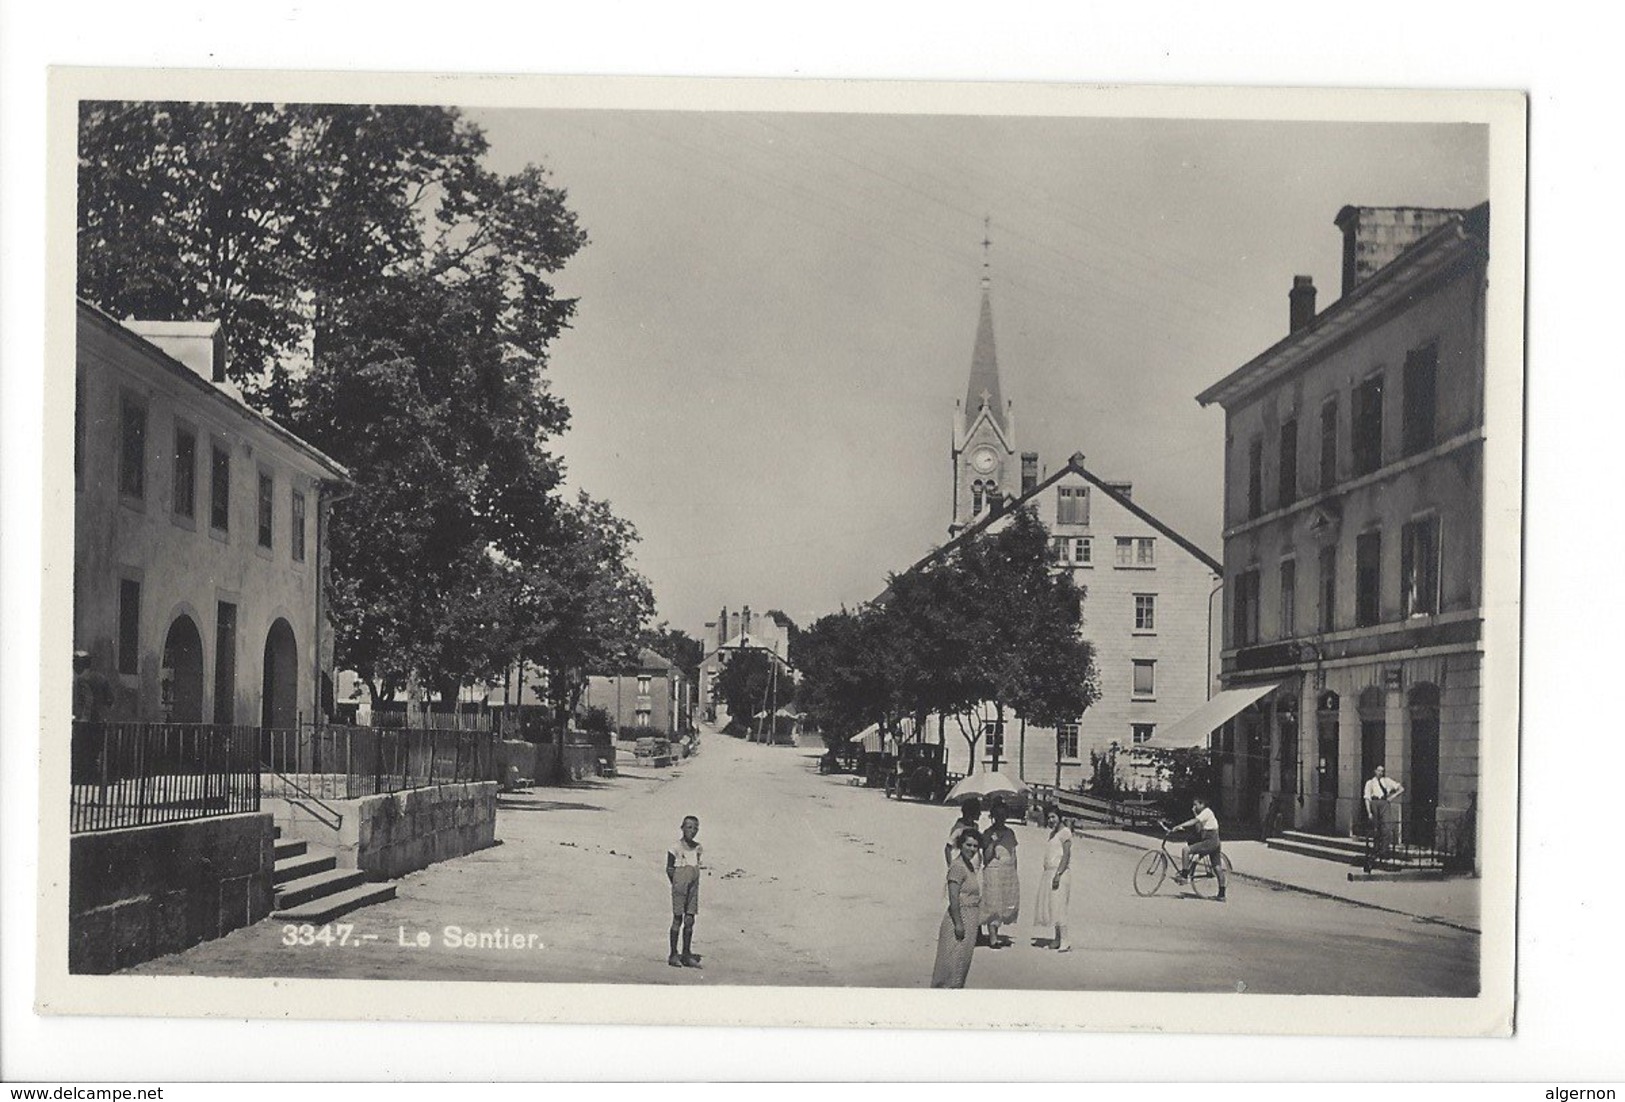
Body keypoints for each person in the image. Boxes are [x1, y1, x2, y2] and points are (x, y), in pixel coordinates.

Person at [931, 828, 983, 988]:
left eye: (975, 846)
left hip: (970, 918)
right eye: (968, 845)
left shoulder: (969, 865)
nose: (972, 849)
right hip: (958, 919)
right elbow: (953, 898)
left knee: (961, 964)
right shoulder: (958, 867)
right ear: (960, 845)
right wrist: (959, 924)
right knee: (951, 964)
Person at [1170, 796, 1227, 902]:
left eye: (1196, 805)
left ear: (1202, 804)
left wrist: (1179, 826)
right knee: (1217, 867)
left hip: (1209, 841)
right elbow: (1198, 828)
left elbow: (1194, 821)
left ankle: (1184, 875)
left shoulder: (1207, 812)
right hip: (1214, 842)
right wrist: (1195, 814)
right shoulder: (1204, 814)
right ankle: (1222, 894)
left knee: (1185, 850)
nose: (1194, 807)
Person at [980, 800, 1020, 948]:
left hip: (1008, 871)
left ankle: (995, 933)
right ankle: (993, 937)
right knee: (993, 902)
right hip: (993, 870)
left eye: (1003, 815)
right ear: (993, 816)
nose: (1000, 818)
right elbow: (986, 858)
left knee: (1004, 902)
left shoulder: (1010, 833)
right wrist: (992, 842)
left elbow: (1013, 853)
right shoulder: (988, 833)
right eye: (997, 815)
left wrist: (1015, 872)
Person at [666, 814, 704, 968]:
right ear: (682, 828)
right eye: (689, 827)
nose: (692, 830)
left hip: (693, 887)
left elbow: (696, 866)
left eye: (695, 828)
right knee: (677, 918)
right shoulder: (675, 848)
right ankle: (674, 954)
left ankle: (687, 954)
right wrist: (676, 884)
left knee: (690, 919)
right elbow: (669, 868)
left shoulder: (698, 848)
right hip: (679, 886)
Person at [1033, 809, 1073, 951]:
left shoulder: (1065, 833)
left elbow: (1066, 855)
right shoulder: (1053, 834)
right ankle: (1057, 938)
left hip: (1059, 873)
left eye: (1053, 817)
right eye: (1049, 817)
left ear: (1060, 818)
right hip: (1049, 872)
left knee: (1060, 905)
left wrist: (1058, 873)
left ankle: (1065, 940)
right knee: (1053, 906)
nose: (1051, 820)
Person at [1363, 764, 1405, 858]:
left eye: (1382, 771)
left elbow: (1401, 788)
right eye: (1379, 770)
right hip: (1374, 803)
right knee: (1376, 827)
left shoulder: (1387, 781)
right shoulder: (1370, 783)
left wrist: (1392, 797)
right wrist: (1369, 812)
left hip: (1384, 803)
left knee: (1386, 827)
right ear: (1375, 771)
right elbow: (1367, 798)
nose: (1380, 773)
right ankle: (1376, 849)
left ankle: (1384, 851)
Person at [71, 650, 113, 723]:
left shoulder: (80, 680)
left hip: (84, 723)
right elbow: (110, 701)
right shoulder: (101, 678)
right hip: (99, 721)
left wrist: (83, 719)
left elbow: (88, 701)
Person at [945, 797, 983, 866]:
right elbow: (948, 848)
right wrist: (950, 865)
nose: (980, 814)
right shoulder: (959, 828)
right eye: (978, 811)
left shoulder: (975, 826)